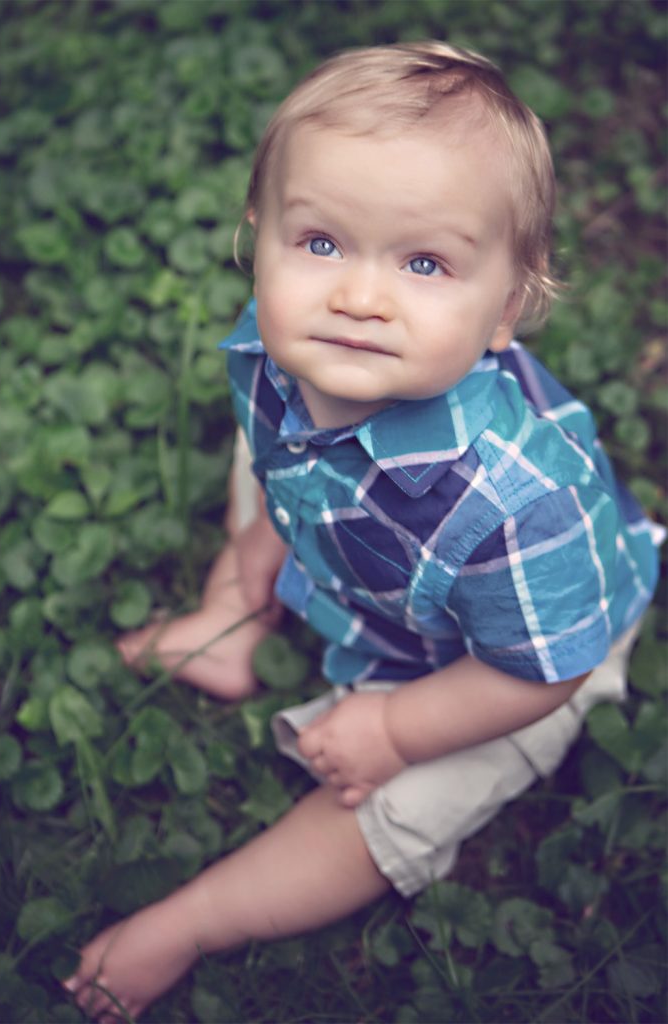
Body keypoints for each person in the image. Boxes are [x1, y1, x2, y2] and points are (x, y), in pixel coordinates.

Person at [64, 41, 662, 1021]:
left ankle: (191, 920)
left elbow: (539, 669)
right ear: (258, 234)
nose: (357, 295)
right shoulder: (278, 345)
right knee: (271, 459)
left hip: (511, 657)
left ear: (504, 308)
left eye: (423, 262)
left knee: (393, 807)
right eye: (320, 242)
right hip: (358, 537)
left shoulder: (523, 502)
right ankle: (231, 612)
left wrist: (393, 724)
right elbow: (269, 459)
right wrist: (257, 543)